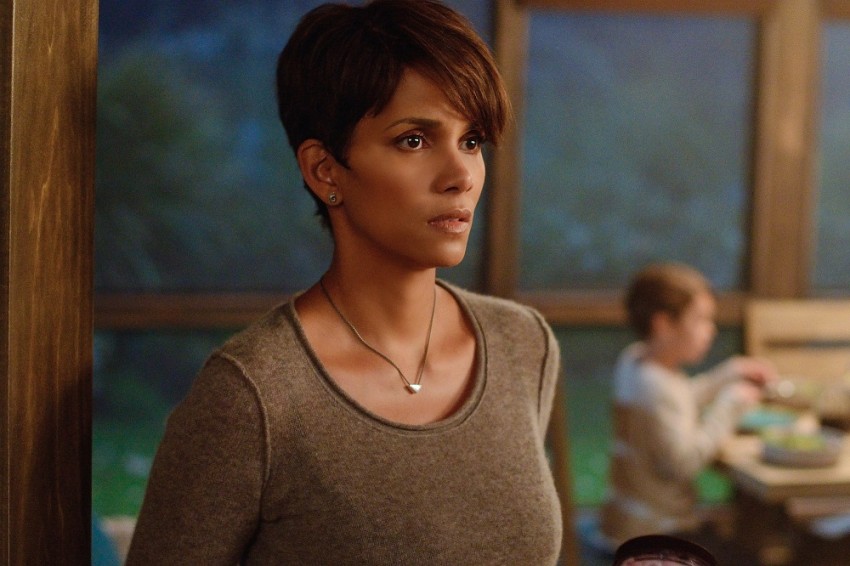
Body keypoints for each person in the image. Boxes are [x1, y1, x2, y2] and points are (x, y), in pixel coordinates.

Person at [125, 1, 564, 564]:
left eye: (472, 140)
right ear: (324, 169)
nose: (461, 176)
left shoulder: (523, 344)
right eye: (414, 140)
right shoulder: (252, 398)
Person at [599, 262, 776, 555]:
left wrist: (729, 373)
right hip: (658, 533)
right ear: (663, 324)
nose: (711, 330)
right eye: (701, 320)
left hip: (624, 522)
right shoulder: (656, 387)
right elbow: (685, 462)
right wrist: (729, 406)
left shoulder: (635, 362)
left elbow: (677, 402)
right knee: (749, 554)